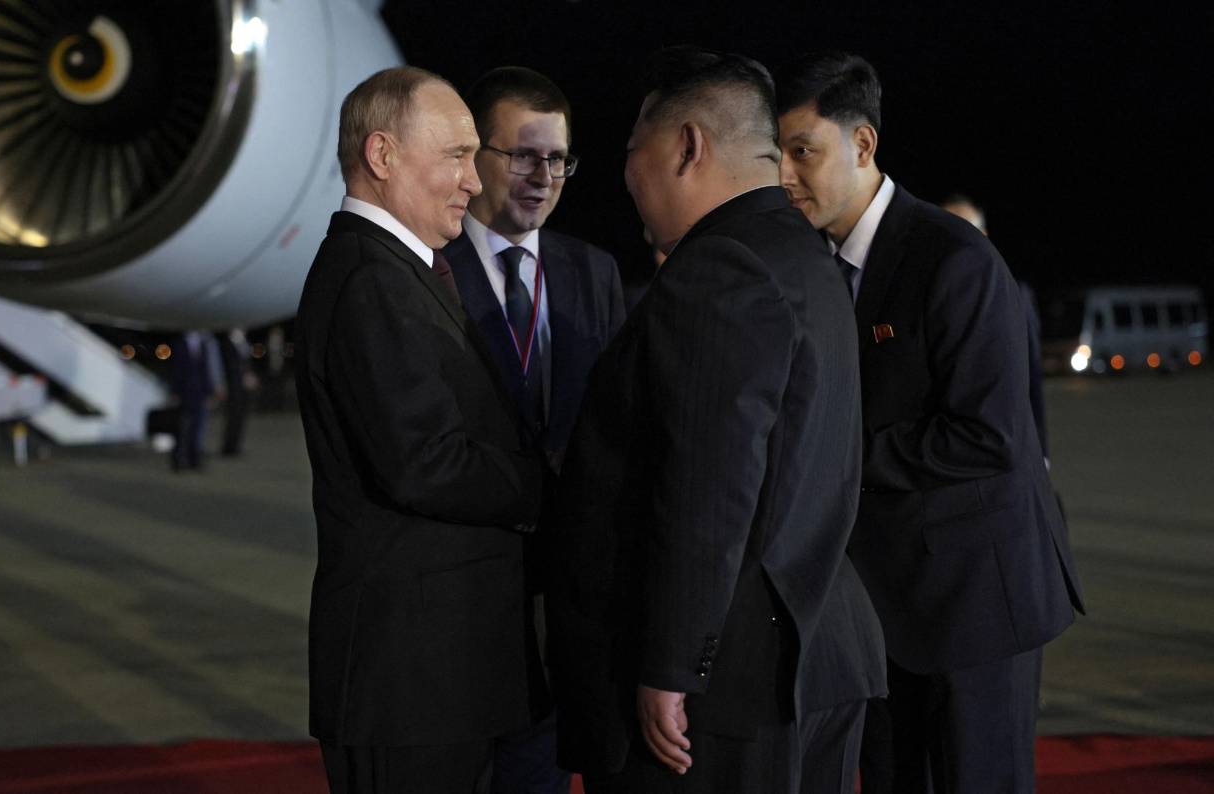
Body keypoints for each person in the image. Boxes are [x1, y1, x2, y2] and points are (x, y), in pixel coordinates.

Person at [547, 46, 885, 794]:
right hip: (815, 646)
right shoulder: (805, 254)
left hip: (723, 686)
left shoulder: (718, 267)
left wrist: (671, 663)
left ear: (687, 147)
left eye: (633, 151)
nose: (625, 175)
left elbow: (710, 484)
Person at [775, 53, 1084, 794]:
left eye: (802, 152)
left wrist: (835, 460)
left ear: (862, 144)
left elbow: (990, 435)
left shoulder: (954, 260)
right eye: (774, 154)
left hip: (976, 608)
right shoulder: (812, 267)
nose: (785, 175)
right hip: (884, 612)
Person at [294, 66, 545, 794]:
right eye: (457, 155)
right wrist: (553, 481)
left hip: (437, 675)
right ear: (382, 156)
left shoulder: (400, 270)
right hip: (407, 682)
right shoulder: (371, 279)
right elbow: (424, 463)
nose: (474, 180)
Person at [442, 66, 627, 794]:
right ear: (475, 156)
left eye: (557, 159)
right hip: (459, 597)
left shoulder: (594, 272)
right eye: (522, 154)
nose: (542, 175)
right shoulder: (428, 269)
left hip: (565, 611)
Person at [940, 195, 1049, 461]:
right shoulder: (926, 295)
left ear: (984, 235)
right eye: (947, 228)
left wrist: (1041, 451)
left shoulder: (1012, 291)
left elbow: (1031, 374)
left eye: (965, 228)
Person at [168, 330, 221, 471]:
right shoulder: (179, 344)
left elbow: (205, 371)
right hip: (184, 393)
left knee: (198, 428)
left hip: (199, 393)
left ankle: (194, 459)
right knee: (180, 428)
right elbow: (175, 370)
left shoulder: (203, 345)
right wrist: (174, 392)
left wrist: (210, 392)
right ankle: (178, 459)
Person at [215, 327, 254, 456]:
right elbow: (229, 367)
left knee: (240, 417)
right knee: (232, 417)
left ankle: (235, 445)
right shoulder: (226, 344)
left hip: (242, 387)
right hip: (233, 386)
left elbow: (246, 363)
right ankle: (228, 447)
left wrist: (248, 376)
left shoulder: (243, 343)